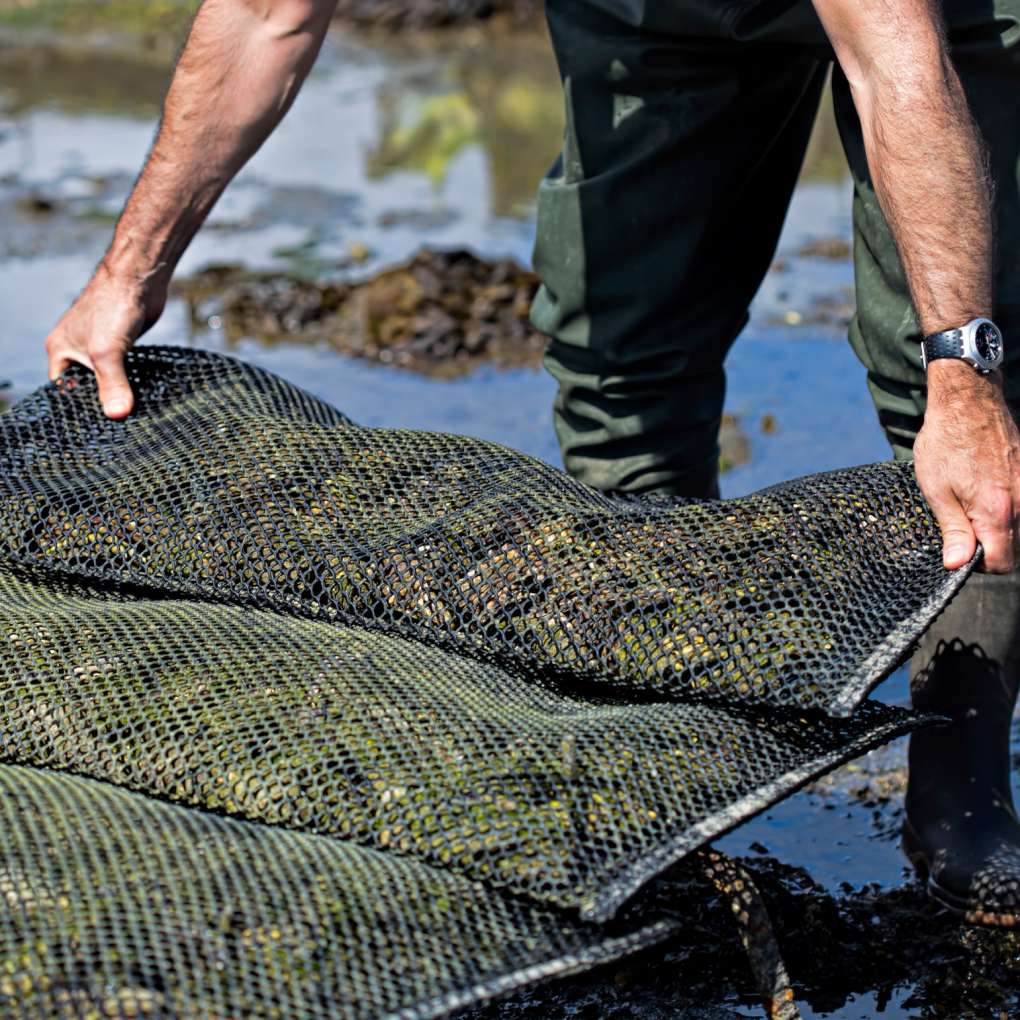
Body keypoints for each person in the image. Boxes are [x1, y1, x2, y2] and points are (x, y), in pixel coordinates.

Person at [44, 0, 1020, 925]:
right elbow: (267, 15)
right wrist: (128, 274)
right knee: (619, 366)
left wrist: (960, 365)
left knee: (957, 383)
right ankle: (661, 769)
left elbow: (897, 62)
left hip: (922, 26)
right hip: (650, 22)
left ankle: (959, 798)